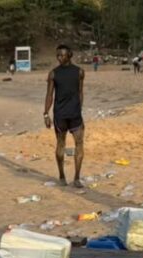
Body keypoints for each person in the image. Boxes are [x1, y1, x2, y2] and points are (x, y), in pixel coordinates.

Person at [43, 44, 85, 188]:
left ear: (69, 55)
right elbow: (49, 95)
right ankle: (62, 176)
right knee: (61, 144)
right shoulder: (53, 74)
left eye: (62, 55)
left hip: (74, 114)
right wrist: (45, 114)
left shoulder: (79, 72)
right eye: (58, 55)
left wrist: (79, 108)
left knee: (79, 144)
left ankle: (77, 178)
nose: (59, 58)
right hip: (60, 115)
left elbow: (80, 92)